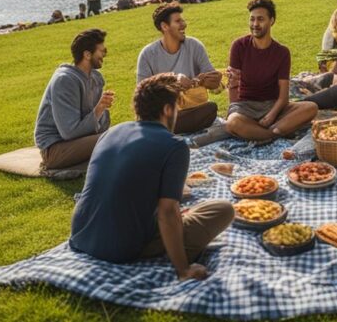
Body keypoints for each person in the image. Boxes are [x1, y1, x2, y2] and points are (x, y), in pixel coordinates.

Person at [68, 73, 233, 279]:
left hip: (81, 234)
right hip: (120, 248)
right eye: (176, 107)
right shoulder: (175, 146)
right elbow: (167, 213)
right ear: (167, 109)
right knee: (222, 209)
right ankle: (171, 258)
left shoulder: (110, 133)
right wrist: (183, 270)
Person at [225, 0, 318, 141]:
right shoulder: (239, 46)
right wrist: (235, 109)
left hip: (273, 106)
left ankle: (260, 132)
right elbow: (232, 87)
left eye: (260, 19)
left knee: (311, 107)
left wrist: (272, 115)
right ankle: (273, 134)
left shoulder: (282, 52)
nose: (255, 24)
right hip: (245, 106)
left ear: (271, 21)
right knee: (233, 122)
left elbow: (283, 97)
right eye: (252, 20)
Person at [33, 29, 114, 169]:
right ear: (87, 54)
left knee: (123, 133)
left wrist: (100, 111)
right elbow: (69, 133)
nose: (104, 55)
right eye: (102, 51)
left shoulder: (95, 78)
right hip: (55, 148)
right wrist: (99, 109)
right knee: (114, 139)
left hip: (80, 141)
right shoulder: (65, 81)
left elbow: (100, 125)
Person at [136, 3, 222, 134]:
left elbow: (215, 85)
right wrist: (173, 81)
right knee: (153, 122)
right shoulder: (148, 54)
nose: (184, 24)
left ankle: (163, 132)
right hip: (162, 114)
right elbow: (142, 96)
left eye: (182, 20)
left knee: (210, 108)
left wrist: (211, 81)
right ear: (165, 26)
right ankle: (162, 129)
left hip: (192, 110)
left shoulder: (194, 46)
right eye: (178, 21)